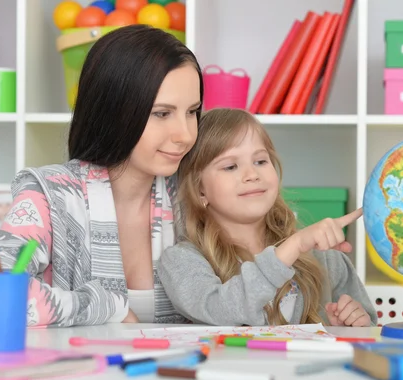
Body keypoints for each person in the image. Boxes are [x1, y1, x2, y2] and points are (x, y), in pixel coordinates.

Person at [0, 25, 203, 327]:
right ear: (113, 109)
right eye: (161, 113)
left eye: (192, 111)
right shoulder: (49, 195)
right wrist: (105, 307)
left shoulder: (195, 197)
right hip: (76, 374)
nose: (184, 134)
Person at [157, 108, 377, 327]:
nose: (252, 175)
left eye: (261, 161)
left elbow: (367, 333)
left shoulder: (326, 259)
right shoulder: (181, 261)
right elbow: (221, 311)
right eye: (231, 166)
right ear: (200, 189)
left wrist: (354, 323)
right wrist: (294, 246)